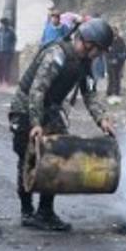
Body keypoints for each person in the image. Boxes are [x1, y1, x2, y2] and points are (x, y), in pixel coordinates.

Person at [9, 18, 118, 231]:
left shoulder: (85, 64)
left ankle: (45, 211)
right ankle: (27, 212)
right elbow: (37, 91)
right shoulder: (56, 55)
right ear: (88, 43)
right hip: (26, 109)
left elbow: (90, 94)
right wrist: (35, 123)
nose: (99, 55)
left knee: (59, 155)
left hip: (50, 110)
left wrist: (102, 120)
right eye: (99, 50)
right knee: (28, 157)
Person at [0, 16, 18, 87]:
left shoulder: (11, 32)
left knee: (7, 67)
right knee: (0, 67)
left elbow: (14, 41)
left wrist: (12, 49)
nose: (3, 25)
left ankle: (6, 81)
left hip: (7, 52)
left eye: (5, 24)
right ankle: (0, 81)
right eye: (2, 24)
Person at [105, 32, 126, 97]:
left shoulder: (120, 41)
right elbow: (106, 52)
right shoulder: (108, 41)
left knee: (116, 77)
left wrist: (119, 57)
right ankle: (110, 92)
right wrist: (110, 59)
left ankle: (115, 92)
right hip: (111, 61)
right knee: (112, 77)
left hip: (118, 62)